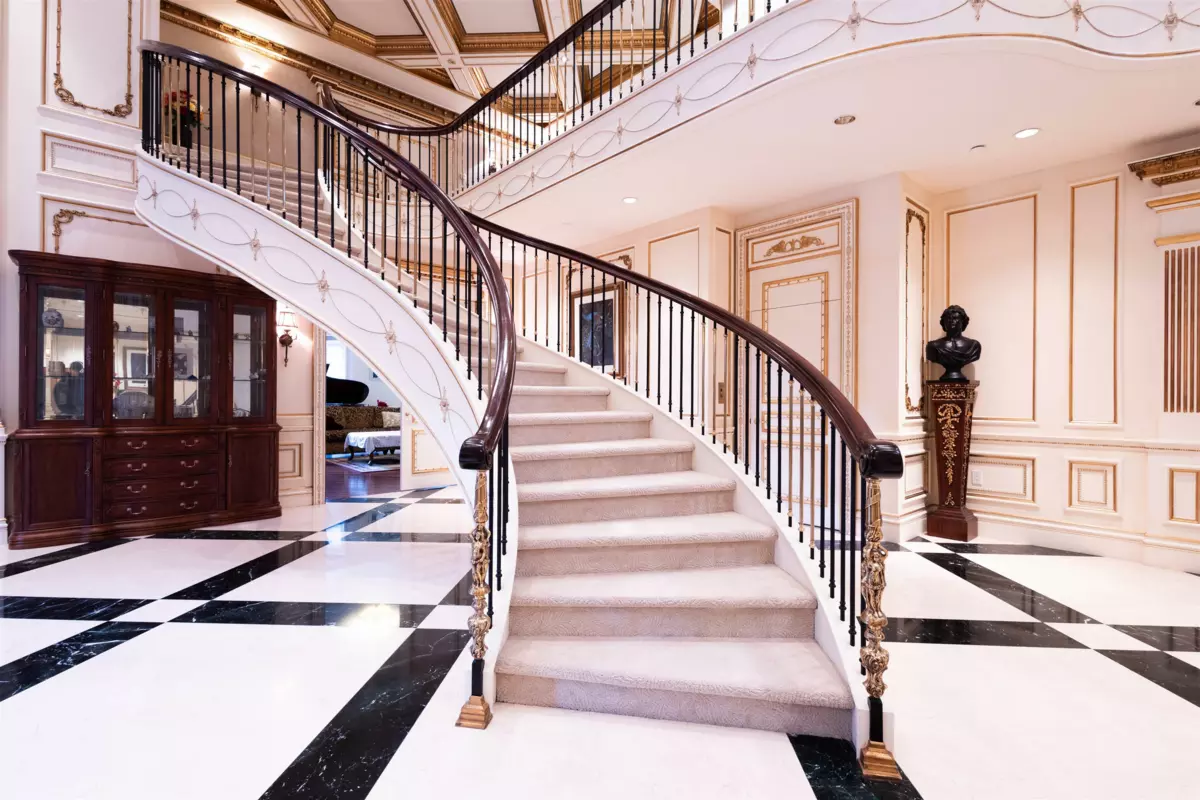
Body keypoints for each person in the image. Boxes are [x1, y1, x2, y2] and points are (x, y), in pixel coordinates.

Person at [925, 305, 981, 382]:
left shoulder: (973, 346)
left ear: (963, 322)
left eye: (955, 318)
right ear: (943, 322)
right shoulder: (933, 346)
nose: (951, 321)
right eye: (948, 318)